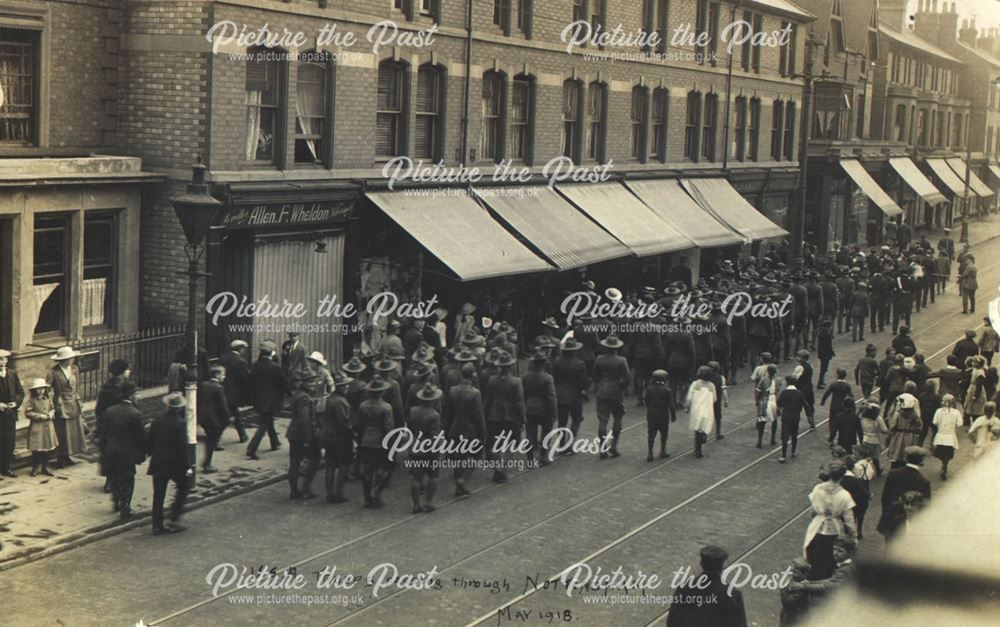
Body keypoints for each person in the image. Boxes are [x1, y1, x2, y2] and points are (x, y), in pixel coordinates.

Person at [666, 545, 747, 627]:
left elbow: (672, 622)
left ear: (702, 564)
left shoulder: (684, 588)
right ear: (721, 567)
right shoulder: (732, 594)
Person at [147, 392, 192, 535]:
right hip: (174, 465)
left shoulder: (157, 421)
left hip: (158, 462)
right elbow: (182, 448)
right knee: (184, 487)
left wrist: (152, 453)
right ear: (179, 408)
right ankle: (174, 518)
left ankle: (156, 525)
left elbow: (149, 442)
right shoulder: (180, 423)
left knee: (158, 495)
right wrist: (187, 467)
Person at [803, 460, 857, 580]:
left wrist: (819, 514)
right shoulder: (845, 495)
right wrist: (854, 535)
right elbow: (849, 520)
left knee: (814, 557)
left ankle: (813, 580)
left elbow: (812, 510)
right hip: (834, 532)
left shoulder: (818, 489)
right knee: (830, 559)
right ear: (842, 476)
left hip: (818, 528)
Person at [443, 363, 487, 497]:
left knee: (459, 458)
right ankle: (462, 480)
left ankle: (458, 486)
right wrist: (483, 434)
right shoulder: (475, 393)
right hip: (470, 430)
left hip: (455, 428)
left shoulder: (452, 390)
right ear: (473, 375)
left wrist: (447, 431)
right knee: (476, 457)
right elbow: (479, 416)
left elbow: (448, 413)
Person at [103, 381, 145, 520]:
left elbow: (105, 432)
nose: (138, 396)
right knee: (128, 479)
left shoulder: (111, 410)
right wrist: (142, 453)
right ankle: (125, 507)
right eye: (136, 393)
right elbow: (140, 436)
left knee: (115, 476)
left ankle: (116, 501)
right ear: (131, 396)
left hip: (112, 450)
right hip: (127, 453)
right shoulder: (135, 413)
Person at [483, 351, 525, 481]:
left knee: (496, 443)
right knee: (511, 444)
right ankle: (503, 470)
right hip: (510, 416)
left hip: (494, 415)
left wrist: (486, 413)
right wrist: (522, 418)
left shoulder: (492, 380)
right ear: (510, 366)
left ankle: (497, 469)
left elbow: (488, 399)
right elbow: (519, 401)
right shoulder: (515, 381)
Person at [877, 446, 931, 542]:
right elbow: (925, 507)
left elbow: (885, 497)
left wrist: (887, 514)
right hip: (910, 523)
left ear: (906, 458)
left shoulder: (893, 473)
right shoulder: (923, 481)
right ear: (921, 462)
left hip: (891, 519)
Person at [246, 340, 289, 460]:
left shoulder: (255, 366)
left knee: (267, 421)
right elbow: (284, 383)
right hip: (272, 401)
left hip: (259, 400)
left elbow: (250, 383)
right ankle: (251, 448)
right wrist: (290, 393)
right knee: (264, 424)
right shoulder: (275, 367)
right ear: (271, 353)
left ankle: (274, 442)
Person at [357, 375, 395, 508]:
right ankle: (376, 493)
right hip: (380, 441)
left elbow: (359, 425)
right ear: (382, 392)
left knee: (367, 471)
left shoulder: (363, 405)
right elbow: (389, 428)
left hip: (366, 440)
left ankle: (367, 499)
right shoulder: (386, 407)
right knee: (384, 469)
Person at [47, 346, 87, 468]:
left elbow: (78, 387)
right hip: (61, 404)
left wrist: (79, 400)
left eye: (72, 358)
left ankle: (69, 456)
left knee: (72, 430)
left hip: (73, 403)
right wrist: (51, 405)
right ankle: (60, 458)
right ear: (63, 360)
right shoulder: (54, 372)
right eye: (69, 358)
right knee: (62, 431)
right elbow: (47, 389)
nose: (72, 360)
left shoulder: (75, 369)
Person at [592, 334, 631, 459]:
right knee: (618, 417)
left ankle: (603, 449)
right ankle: (614, 445)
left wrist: (599, 384)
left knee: (603, 420)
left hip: (602, 390)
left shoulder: (599, 359)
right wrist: (622, 387)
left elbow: (595, 375)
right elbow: (627, 377)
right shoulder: (621, 360)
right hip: (616, 391)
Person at [95, 358, 130, 491]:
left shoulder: (106, 385)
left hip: (106, 425)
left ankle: (109, 481)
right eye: (127, 369)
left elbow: (99, 408)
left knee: (108, 452)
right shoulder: (125, 387)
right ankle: (114, 481)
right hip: (120, 425)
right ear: (122, 372)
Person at [408, 383, 443, 514]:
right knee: (433, 475)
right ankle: (429, 502)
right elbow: (435, 435)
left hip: (414, 446)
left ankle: (416, 505)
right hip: (429, 448)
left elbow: (410, 427)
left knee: (416, 477)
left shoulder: (413, 410)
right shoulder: (435, 415)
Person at [287, 377, 322, 500]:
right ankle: (305, 488)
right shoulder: (304, 398)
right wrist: (308, 439)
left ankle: (294, 491)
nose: (313, 385)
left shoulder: (297, 394)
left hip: (293, 432)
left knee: (294, 462)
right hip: (303, 434)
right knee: (315, 458)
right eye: (311, 383)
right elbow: (305, 419)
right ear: (305, 383)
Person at [522, 349, 556, 466]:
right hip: (544, 409)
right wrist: (553, 412)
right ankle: (543, 456)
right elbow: (551, 397)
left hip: (530, 407)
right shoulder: (548, 378)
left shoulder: (526, 377)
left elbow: (524, 394)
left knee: (530, 434)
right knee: (546, 433)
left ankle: (530, 459)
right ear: (543, 362)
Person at [552, 338, 589, 448]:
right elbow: (583, 381)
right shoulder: (580, 364)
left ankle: (562, 443)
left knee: (562, 421)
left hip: (560, 395)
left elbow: (555, 378)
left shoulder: (557, 362)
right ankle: (570, 444)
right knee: (576, 420)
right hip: (575, 395)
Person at [197, 365, 230, 474]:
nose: (224, 377)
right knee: (211, 441)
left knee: (209, 439)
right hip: (214, 418)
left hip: (203, 416)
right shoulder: (219, 388)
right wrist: (227, 418)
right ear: (217, 374)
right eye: (223, 374)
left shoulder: (204, 385)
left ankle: (207, 462)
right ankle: (207, 464)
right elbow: (223, 406)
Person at [218, 339, 251, 443]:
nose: (244, 351)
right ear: (240, 349)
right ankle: (215, 439)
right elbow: (245, 379)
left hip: (222, 391)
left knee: (234, 414)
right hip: (234, 393)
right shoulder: (241, 362)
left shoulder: (223, 359)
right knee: (228, 416)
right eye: (243, 349)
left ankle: (242, 435)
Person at [0, 348, 25, 478]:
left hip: (10, 414)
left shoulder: (12, 373)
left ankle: (6, 468)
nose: (1, 362)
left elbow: (21, 392)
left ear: (7, 360)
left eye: (3, 359)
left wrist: (15, 403)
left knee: (9, 441)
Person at [24, 378, 56, 477]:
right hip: (37, 427)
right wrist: (39, 416)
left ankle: (45, 467)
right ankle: (35, 467)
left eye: (42, 388)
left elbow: (52, 408)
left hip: (48, 426)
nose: (41, 391)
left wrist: (51, 413)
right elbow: (28, 412)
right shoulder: (32, 400)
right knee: (37, 449)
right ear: (34, 390)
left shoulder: (48, 398)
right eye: (38, 389)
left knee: (47, 448)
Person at [886, 385, 923, 468]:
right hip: (911, 437)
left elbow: (892, 426)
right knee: (907, 456)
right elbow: (920, 427)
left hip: (899, 436)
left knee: (897, 455)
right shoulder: (915, 416)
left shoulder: (898, 414)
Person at [686, 366, 717, 459]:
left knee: (697, 429)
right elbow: (715, 399)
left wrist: (687, 407)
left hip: (696, 409)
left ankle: (697, 449)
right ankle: (702, 440)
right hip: (707, 410)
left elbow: (689, 398)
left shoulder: (695, 384)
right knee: (703, 426)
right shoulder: (712, 385)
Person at [778, 375, 810, 463]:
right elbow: (806, 405)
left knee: (785, 435)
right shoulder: (799, 393)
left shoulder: (784, 392)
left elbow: (779, 403)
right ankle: (793, 450)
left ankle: (783, 455)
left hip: (786, 416)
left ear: (787, 383)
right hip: (795, 416)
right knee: (794, 434)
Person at [645, 370, 675, 461]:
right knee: (664, 433)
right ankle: (663, 450)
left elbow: (647, 400)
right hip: (663, 415)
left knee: (651, 433)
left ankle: (650, 452)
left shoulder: (649, 389)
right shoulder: (667, 390)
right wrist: (673, 415)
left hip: (652, 414)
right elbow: (671, 404)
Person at [931, 394, 962, 479]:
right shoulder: (956, 412)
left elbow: (934, 422)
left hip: (941, 435)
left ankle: (943, 466)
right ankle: (945, 465)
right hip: (950, 436)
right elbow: (960, 423)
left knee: (941, 453)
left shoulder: (938, 411)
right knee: (948, 453)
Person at [841, 455, 871, 539]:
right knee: (860, 516)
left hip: (848, 504)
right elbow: (863, 492)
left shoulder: (841, 479)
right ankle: (859, 530)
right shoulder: (856, 479)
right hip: (859, 502)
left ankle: (850, 533)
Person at [778, 558, 813, 627]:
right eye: (793, 571)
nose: (793, 574)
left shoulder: (802, 588)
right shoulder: (796, 582)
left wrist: (783, 586)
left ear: (804, 574)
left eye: (796, 572)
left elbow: (786, 601)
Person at [755, 364, 780, 448]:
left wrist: (757, 400)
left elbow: (758, 391)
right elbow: (778, 391)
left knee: (762, 421)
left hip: (764, 400)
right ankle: (772, 439)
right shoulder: (778, 380)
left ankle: (759, 442)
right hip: (774, 400)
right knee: (774, 420)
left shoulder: (763, 380)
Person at [859, 404, 888, 476]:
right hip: (874, 440)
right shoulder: (878, 418)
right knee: (875, 457)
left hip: (864, 438)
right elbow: (884, 430)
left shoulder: (862, 417)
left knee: (864, 456)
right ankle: (877, 471)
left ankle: (862, 471)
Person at [815, 318, 835, 389]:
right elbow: (828, 345)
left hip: (822, 354)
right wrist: (832, 352)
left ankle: (821, 381)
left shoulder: (822, 333)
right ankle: (820, 382)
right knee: (823, 369)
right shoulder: (826, 335)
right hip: (825, 354)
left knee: (823, 368)